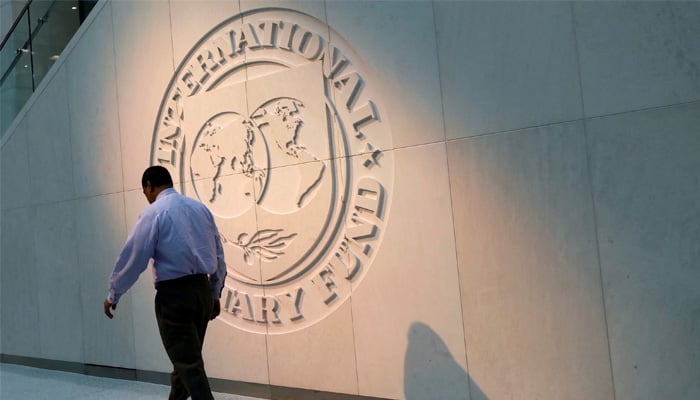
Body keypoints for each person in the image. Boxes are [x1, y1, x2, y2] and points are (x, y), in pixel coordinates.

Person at [103, 165, 227, 400]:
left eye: (145, 191)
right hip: (202, 291)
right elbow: (218, 254)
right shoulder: (200, 209)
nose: (147, 197)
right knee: (186, 360)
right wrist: (215, 292)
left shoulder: (154, 213)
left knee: (188, 364)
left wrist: (113, 294)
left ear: (149, 186)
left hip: (174, 297)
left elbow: (134, 257)